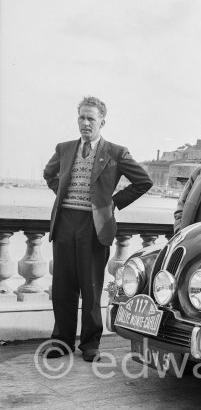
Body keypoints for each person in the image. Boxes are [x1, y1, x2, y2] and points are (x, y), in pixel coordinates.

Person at [43, 96, 153, 362]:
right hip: (65, 222)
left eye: (91, 118)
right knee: (62, 287)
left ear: (103, 120)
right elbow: (49, 174)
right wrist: (64, 195)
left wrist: (111, 204)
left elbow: (143, 181)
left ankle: (90, 343)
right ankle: (61, 340)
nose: (85, 123)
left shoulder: (116, 152)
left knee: (91, 288)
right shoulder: (64, 148)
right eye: (81, 117)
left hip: (95, 227)